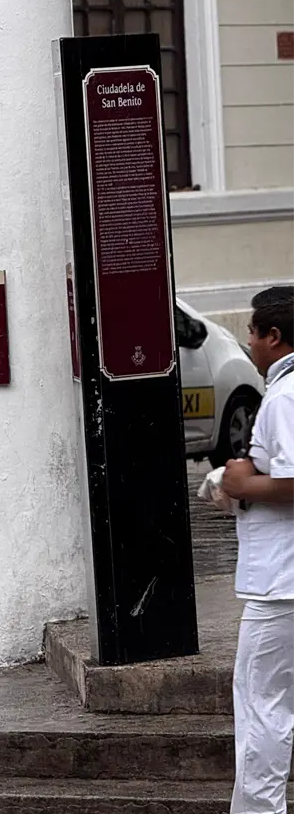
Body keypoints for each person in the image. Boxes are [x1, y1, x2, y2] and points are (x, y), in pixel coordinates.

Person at [223, 286, 294, 813]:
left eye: (252, 330)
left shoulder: (287, 397)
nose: (247, 341)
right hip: (280, 578)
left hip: (281, 586)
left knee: (262, 708)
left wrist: (241, 484)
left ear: (273, 336)